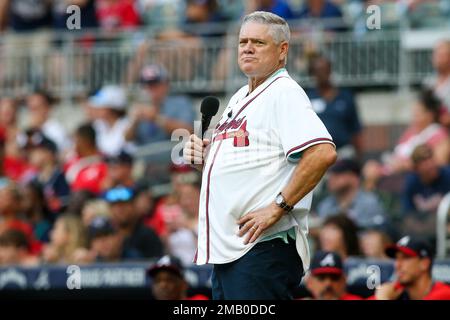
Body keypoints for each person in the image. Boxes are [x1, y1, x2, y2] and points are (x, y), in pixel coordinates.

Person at [183, 11, 337, 300]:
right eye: (243, 42)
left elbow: (322, 153)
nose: (247, 48)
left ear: (282, 51)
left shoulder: (284, 92)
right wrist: (205, 160)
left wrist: (278, 206)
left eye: (258, 42)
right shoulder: (240, 96)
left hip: (262, 249)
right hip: (231, 250)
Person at [125, 64, 194, 146]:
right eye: (145, 85)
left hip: (174, 156)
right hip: (145, 156)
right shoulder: (140, 105)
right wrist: (135, 122)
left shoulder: (180, 103)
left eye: (154, 84)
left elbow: (188, 132)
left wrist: (157, 119)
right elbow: (127, 138)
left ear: (166, 84)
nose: (149, 88)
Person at [307, 55, 362, 159]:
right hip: (318, 154)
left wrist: (359, 157)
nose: (321, 74)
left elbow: (355, 129)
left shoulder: (345, 97)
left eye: (324, 70)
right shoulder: (307, 98)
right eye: (318, 71)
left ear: (330, 70)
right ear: (313, 73)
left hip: (344, 152)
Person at [316, 159, 388, 230]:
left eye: (338, 173)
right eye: (330, 173)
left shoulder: (369, 203)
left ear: (355, 178)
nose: (331, 177)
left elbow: (377, 233)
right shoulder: (325, 205)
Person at [373, 235, 450, 300]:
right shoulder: (395, 290)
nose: (397, 265)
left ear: (424, 264)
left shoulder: (444, 294)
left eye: (405, 258)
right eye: (396, 258)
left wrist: (383, 298)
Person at [401, 144, 450, 239]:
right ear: (416, 168)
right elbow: (407, 214)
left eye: (431, 159)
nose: (431, 165)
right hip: (422, 229)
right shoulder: (411, 182)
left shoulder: (447, 176)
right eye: (425, 162)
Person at [104, 186, 164, 260]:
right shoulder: (104, 234)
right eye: (115, 206)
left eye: (124, 205)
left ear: (134, 206)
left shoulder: (148, 235)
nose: (120, 210)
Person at [88, 85, 135, 157]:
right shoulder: (98, 125)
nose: (96, 109)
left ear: (112, 109)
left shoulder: (127, 124)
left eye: (101, 106)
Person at [64, 123, 108, 195]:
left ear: (85, 141)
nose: (73, 145)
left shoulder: (104, 161)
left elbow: (103, 186)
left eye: (76, 141)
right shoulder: (70, 161)